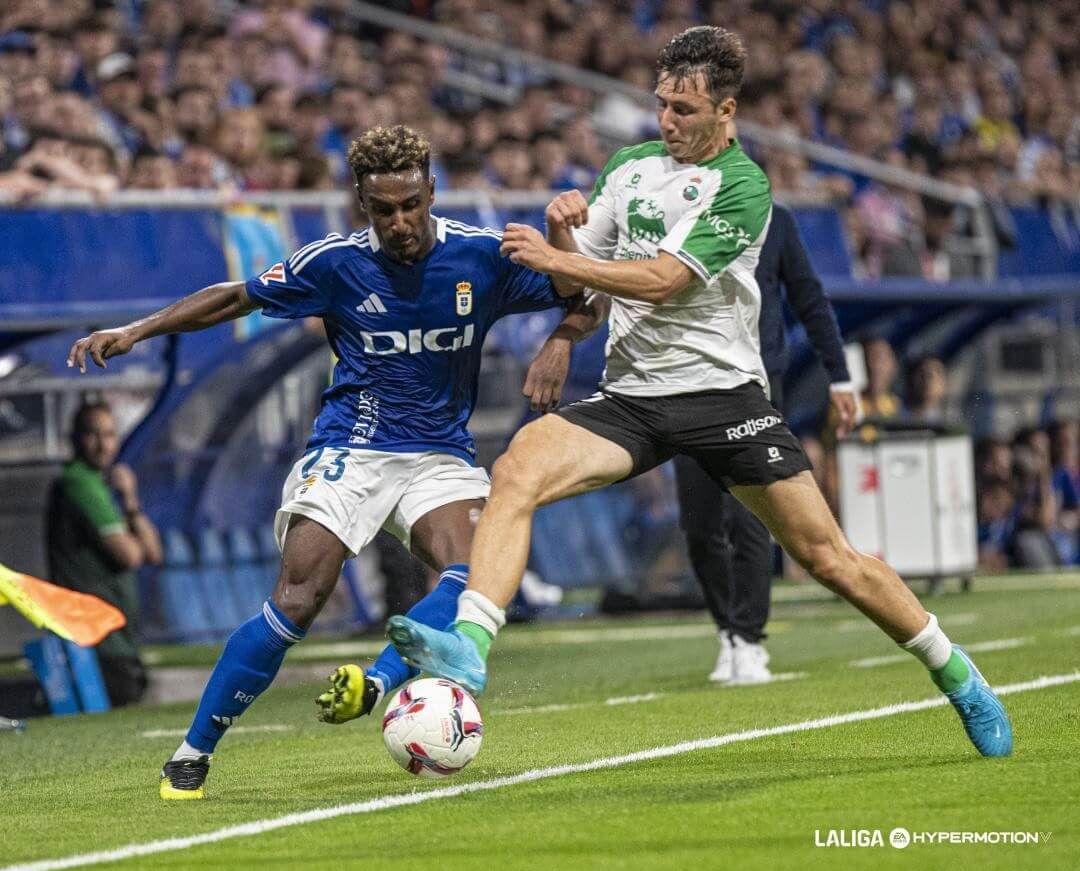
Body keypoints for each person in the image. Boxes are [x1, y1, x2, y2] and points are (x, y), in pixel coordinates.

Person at [385, 27, 1013, 759]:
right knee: (519, 464)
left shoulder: (744, 187)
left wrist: (562, 256)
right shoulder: (627, 168)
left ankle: (958, 673)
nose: (667, 122)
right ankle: (469, 643)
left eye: (684, 110)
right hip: (632, 399)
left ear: (726, 110)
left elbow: (663, 279)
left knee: (830, 558)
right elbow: (580, 286)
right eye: (661, 105)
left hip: (724, 400)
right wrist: (564, 250)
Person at [68, 125, 599, 799]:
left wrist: (558, 340)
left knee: (473, 571)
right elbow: (236, 297)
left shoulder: (483, 255)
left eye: (411, 204)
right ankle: (191, 752)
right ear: (361, 205)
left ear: (432, 191)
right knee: (298, 598)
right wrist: (135, 330)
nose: (400, 221)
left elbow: (585, 295)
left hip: (439, 454)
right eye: (384, 210)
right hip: (351, 447)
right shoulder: (334, 263)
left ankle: (376, 681)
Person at [673, 201, 856, 685]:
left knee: (752, 511)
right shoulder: (673, 210)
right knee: (699, 521)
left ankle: (750, 638)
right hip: (686, 382)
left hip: (755, 382)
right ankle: (727, 632)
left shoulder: (772, 218)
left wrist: (839, 376)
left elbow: (808, 298)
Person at [45, 400, 163, 706]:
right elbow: (131, 556)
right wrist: (131, 533)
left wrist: (130, 499)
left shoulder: (100, 484)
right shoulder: (79, 482)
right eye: (92, 435)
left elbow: (153, 552)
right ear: (75, 438)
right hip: (96, 639)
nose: (103, 445)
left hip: (116, 637)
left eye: (110, 435)